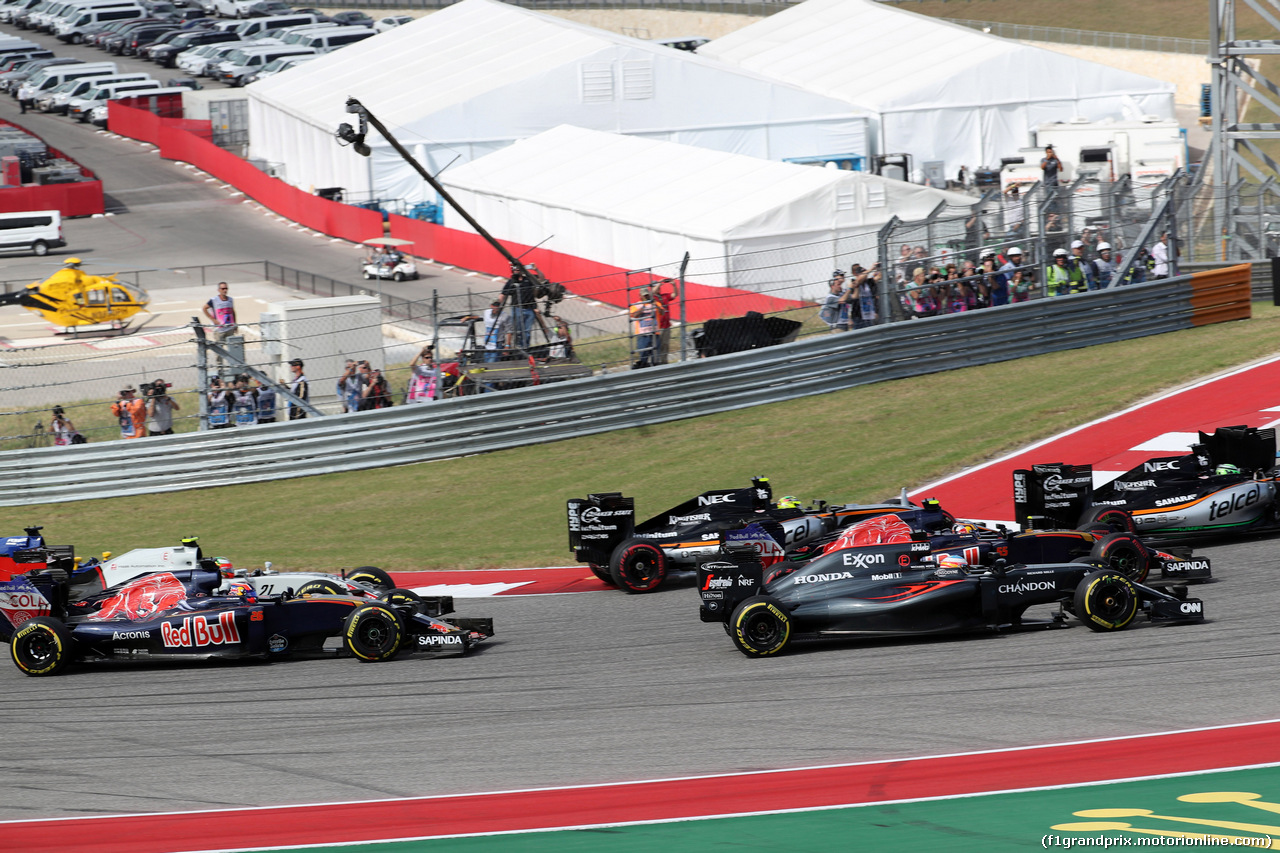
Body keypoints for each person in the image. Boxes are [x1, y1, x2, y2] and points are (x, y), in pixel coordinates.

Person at [501, 268, 538, 350]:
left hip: (529, 309)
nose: (517, 271)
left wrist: (536, 269)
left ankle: (525, 347)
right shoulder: (511, 281)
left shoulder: (529, 279)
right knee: (518, 331)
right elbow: (503, 293)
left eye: (518, 269)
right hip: (517, 308)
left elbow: (541, 279)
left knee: (527, 332)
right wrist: (498, 305)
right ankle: (518, 347)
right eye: (515, 270)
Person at [629, 287, 659, 369]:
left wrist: (655, 305)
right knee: (643, 357)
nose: (646, 297)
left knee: (655, 357)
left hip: (654, 334)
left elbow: (662, 312)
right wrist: (643, 308)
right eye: (644, 295)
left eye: (647, 295)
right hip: (643, 335)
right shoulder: (637, 305)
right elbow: (633, 315)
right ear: (640, 296)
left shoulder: (654, 303)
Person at [653, 278, 679, 363]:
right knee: (657, 345)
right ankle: (656, 362)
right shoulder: (652, 298)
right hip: (657, 327)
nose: (658, 288)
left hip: (666, 325)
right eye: (657, 287)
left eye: (659, 287)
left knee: (665, 345)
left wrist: (674, 285)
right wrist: (659, 283)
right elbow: (652, 292)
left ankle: (664, 362)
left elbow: (674, 295)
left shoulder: (664, 296)